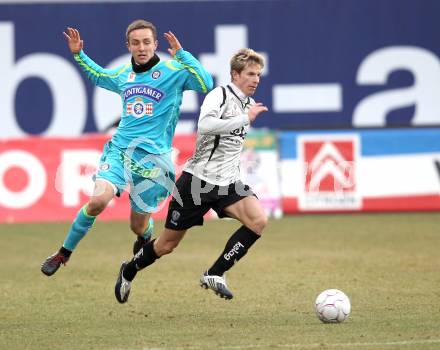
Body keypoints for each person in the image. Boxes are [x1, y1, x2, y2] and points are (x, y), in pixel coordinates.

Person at [41, 20, 213, 276]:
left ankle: (145, 235)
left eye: (146, 42)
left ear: (155, 44)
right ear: (128, 46)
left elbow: (205, 84)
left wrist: (183, 55)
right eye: (135, 43)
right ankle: (63, 253)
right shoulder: (124, 75)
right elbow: (99, 76)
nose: (141, 47)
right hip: (120, 151)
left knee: (137, 225)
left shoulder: (174, 71)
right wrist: (79, 55)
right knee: (98, 200)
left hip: (154, 162)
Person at [114, 48, 268, 303]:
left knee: (258, 221)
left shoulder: (248, 104)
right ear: (235, 74)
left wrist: (244, 117)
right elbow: (206, 126)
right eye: (250, 74)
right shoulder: (219, 95)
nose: (256, 79)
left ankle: (215, 273)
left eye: (259, 75)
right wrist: (243, 119)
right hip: (196, 183)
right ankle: (129, 269)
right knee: (166, 245)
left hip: (228, 182)